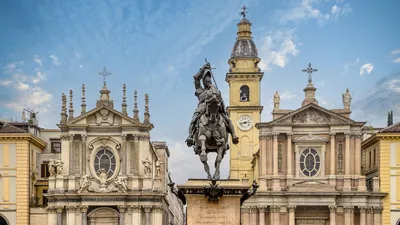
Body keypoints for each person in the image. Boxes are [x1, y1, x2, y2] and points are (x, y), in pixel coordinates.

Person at [186, 63, 239, 147]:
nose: (208, 82)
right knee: (194, 119)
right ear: (203, 82)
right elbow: (196, 78)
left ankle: (233, 135)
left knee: (228, 120)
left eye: (209, 81)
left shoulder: (216, 90)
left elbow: (221, 101)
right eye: (207, 81)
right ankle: (190, 136)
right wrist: (203, 68)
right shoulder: (200, 90)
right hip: (202, 107)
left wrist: (222, 106)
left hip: (216, 107)